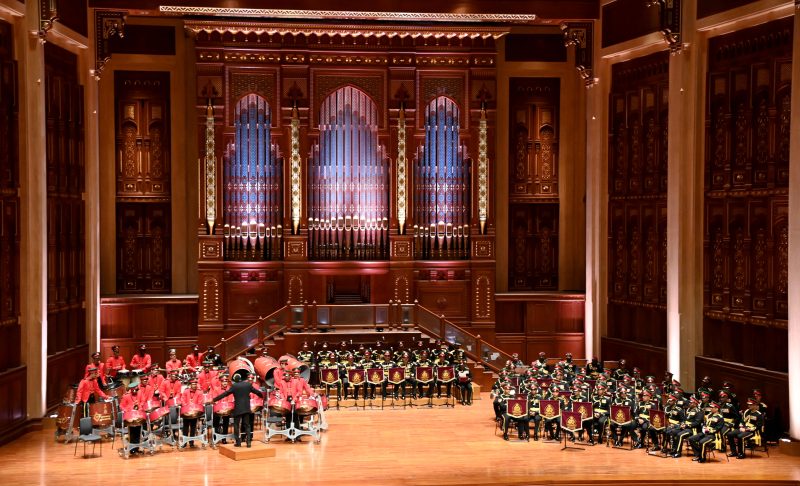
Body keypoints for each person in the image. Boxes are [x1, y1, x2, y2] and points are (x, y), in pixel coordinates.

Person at [179, 379, 205, 448]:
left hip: (194, 412)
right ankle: (184, 442)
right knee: (185, 427)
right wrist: (187, 406)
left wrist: (193, 406)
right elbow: (182, 400)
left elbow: (200, 402)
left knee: (193, 427)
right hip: (186, 412)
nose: (194, 385)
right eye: (193, 384)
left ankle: (191, 442)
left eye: (195, 384)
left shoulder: (199, 392)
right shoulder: (186, 391)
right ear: (190, 385)